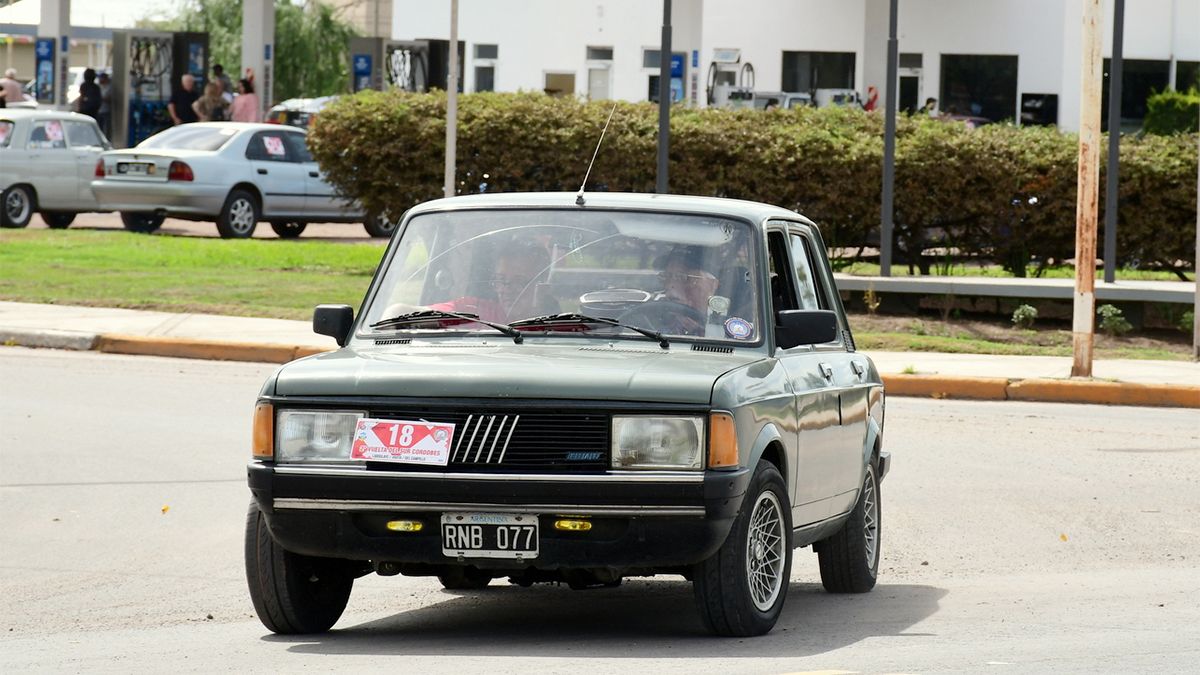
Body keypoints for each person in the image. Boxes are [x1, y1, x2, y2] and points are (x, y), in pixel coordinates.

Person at [97, 72, 113, 138]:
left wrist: (102, 98)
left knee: (106, 128)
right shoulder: (98, 87)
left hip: (106, 111)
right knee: (99, 128)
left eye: (102, 78)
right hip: (98, 110)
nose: (100, 80)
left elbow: (110, 99)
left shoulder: (110, 87)